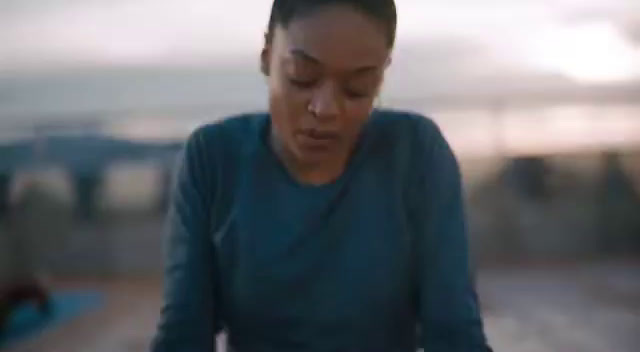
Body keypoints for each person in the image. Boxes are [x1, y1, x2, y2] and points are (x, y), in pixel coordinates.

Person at [151, 0, 492, 351]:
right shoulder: (214, 159)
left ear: (382, 74)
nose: (325, 109)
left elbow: (455, 332)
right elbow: (182, 333)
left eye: (357, 88)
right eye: (302, 77)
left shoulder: (415, 154)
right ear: (267, 55)